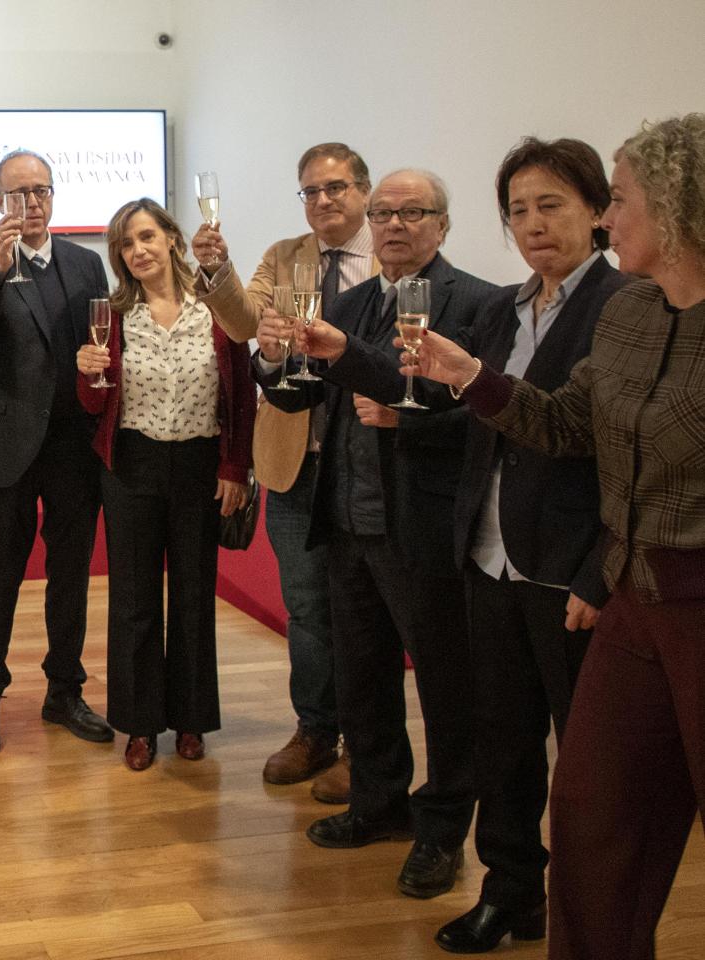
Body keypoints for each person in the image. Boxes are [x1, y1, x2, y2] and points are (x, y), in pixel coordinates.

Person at [406, 114, 705, 960]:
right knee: (593, 822)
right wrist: (468, 374)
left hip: (688, 599)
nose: (609, 221)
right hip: (636, 601)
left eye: (619, 201)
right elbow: (570, 423)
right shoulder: (635, 315)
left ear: (680, 209)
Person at [265, 169, 497, 899]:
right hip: (346, 518)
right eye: (387, 214)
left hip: (421, 525)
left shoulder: (479, 304)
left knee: (443, 684)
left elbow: (491, 419)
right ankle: (378, 803)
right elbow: (300, 389)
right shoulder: (355, 302)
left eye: (413, 212)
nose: (395, 225)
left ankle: (441, 832)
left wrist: (412, 420)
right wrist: (273, 357)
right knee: (362, 676)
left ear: (443, 224)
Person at [430, 138, 626, 954]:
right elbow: (456, 401)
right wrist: (349, 363)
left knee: (586, 767)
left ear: (597, 211)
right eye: (517, 209)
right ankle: (509, 893)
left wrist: (599, 571)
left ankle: (590, 918)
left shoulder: (625, 307)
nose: (533, 224)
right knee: (502, 742)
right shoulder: (503, 307)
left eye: (551, 204)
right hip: (490, 556)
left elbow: (629, 456)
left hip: (570, 573)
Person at [192, 142, 379, 801]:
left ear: (363, 190)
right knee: (305, 606)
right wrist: (218, 271)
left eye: (336, 188)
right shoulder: (285, 256)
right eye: (311, 191)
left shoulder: (391, 259)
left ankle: (368, 746)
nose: (323, 201)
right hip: (296, 460)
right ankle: (315, 731)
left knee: (366, 611)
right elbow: (244, 322)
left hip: (368, 462)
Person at [76, 199, 254, 770]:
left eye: (147, 237)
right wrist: (86, 375)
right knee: (133, 600)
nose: (139, 251)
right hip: (131, 465)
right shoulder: (113, 314)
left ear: (173, 239)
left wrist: (234, 468)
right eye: (127, 245)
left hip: (201, 466)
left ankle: (192, 721)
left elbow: (242, 397)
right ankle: (140, 725)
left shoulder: (217, 312)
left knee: (194, 595)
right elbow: (94, 404)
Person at [0, 148, 113, 758]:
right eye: (17, 194)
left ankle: (64, 691)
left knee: (70, 575)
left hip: (72, 447)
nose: (31, 204)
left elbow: (101, 343)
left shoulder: (85, 263)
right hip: (2, 446)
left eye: (41, 191)